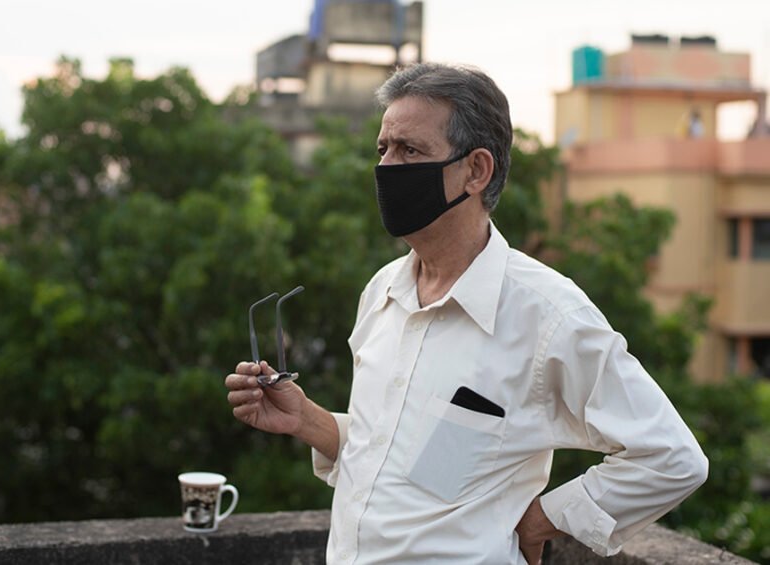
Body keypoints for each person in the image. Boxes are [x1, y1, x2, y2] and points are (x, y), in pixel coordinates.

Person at [225, 62, 708, 564]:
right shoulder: (382, 292)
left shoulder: (547, 315)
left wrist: (547, 518)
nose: (387, 168)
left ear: (476, 170)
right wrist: (308, 420)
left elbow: (671, 459)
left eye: (410, 150)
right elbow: (395, 460)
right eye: (383, 149)